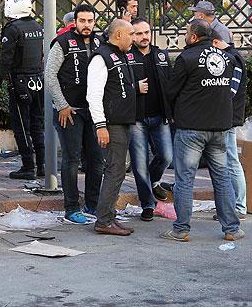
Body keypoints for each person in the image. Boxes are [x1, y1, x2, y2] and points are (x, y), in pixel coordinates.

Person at [160, 19, 243, 243]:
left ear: (194, 37)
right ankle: (232, 228)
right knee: (222, 177)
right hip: (220, 127)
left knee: (185, 179)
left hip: (191, 128)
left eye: (187, 32)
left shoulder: (186, 58)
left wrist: (173, 113)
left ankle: (181, 230)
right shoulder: (226, 57)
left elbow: (171, 91)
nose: (185, 36)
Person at [45, 4, 105, 223]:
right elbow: (50, 75)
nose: (86, 25)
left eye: (90, 21)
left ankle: (92, 205)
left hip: (94, 111)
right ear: (75, 22)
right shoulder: (62, 42)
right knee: (71, 160)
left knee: (96, 160)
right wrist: (62, 105)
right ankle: (71, 208)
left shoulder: (100, 42)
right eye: (82, 21)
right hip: (69, 112)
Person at [87, 19, 137, 236]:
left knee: (118, 171)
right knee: (114, 170)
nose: (134, 38)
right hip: (110, 124)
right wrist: (100, 126)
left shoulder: (120, 54)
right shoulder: (102, 57)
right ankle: (104, 220)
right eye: (131, 34)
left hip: (121, 122)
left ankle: (108, 215)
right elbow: (94, 94)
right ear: (118, 35)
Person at [125, 18, 173, 222]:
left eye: (146, 32)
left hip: (159, 116)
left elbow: (171, 82)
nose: (144, 37)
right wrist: (135, 88)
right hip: (136, 118)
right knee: (139, 164)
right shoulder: (126, 56)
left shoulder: (161, 55)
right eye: (138, 33)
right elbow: (118, 85)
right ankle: (147, 204)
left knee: (166, 156)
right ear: (132, 36)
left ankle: (152, 182)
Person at [0, 0, 45, 180]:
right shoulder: (36, 26)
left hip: (20, 82)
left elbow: (6, 59)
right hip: (37, 80)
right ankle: (42, 165)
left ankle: (28, 166)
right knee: (37, 124)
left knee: (21, 126)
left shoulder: (12, 29)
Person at [213, 31, 248, 219]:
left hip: (228, 118)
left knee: (232, 161)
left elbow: (230, 91)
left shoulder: (232, 59)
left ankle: (239, 207)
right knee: (228, 162)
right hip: (227, 117)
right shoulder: (233, 56)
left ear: (216, 42)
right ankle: (233, 206)